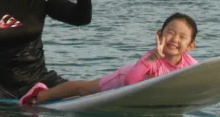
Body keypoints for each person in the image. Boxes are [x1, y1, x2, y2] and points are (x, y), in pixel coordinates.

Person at [20, 13, 199, 105]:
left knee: (84, 93)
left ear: (191, 46)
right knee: (83, 88)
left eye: (182, 37)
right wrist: (152, 58)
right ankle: (40, 96)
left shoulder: (190, 64)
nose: (175, 39)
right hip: (122, 79)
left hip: (140, 93)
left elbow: (202, 76)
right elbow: (130, 81)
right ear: (160, 35)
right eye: (170, 32)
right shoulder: (153, 57)